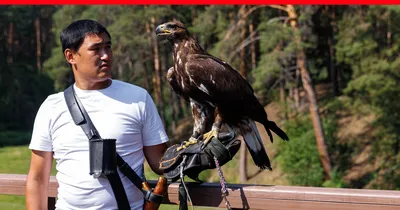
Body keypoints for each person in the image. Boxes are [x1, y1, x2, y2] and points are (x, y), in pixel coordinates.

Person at [25, 19, 168, 210]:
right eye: (96, 49)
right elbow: (37, 178)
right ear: (71, 56)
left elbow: (161, 162)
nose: (106, 56)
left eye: (108, 47)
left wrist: (196, 154)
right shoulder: (52, 107)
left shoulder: (137, 98)